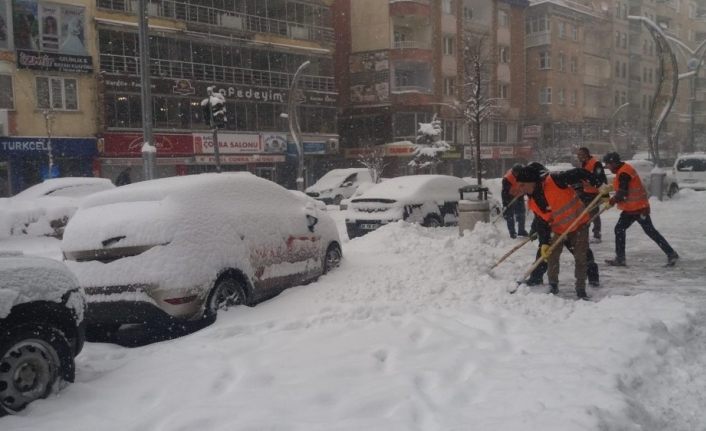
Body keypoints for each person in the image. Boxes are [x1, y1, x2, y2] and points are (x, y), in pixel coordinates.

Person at [515, 162, 602, 299]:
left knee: (582, 256)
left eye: (522, 184)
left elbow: (579, 173)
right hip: (559, 230)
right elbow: (542, 222)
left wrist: (598, 184)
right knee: (551, 256)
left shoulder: (556, 180)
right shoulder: (533, 200)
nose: (520, 188)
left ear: (532, 182)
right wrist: (543, 242)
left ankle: (583, 287)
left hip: (578, 225)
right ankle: (552, 285)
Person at [602, 152, 679, 267]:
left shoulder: (624, 172)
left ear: (613, 163)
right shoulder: (623, 169)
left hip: (637, 208)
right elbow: (624, 186)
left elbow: (623, 193)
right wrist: (611, 188)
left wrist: (611, 202)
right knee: (623, 229)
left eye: (608, 164)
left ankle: (671, 254)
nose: (607, 167)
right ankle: (621, 258)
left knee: (644, 231)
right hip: (634, 208)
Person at [576, 147, 607, 243]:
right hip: (585, 193)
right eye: (578, 155)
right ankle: (583, 234)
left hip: (594, 193)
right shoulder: (584, 164)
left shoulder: (595, 163)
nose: (578, 157)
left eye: (580, 154)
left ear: (586, 154)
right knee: (583, 214)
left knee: (594, 214)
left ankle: (597, 235)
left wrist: (605, 196)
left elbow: (601, 179)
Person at [501, 164, 529, 239]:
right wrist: (505, 204)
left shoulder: (523, 175)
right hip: (509, 197)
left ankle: (521, 230)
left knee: (521, 212)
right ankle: (512, 233)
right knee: (510, 215)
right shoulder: (507, 179)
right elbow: (504, 193)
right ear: (514, 172)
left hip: (519, 195)